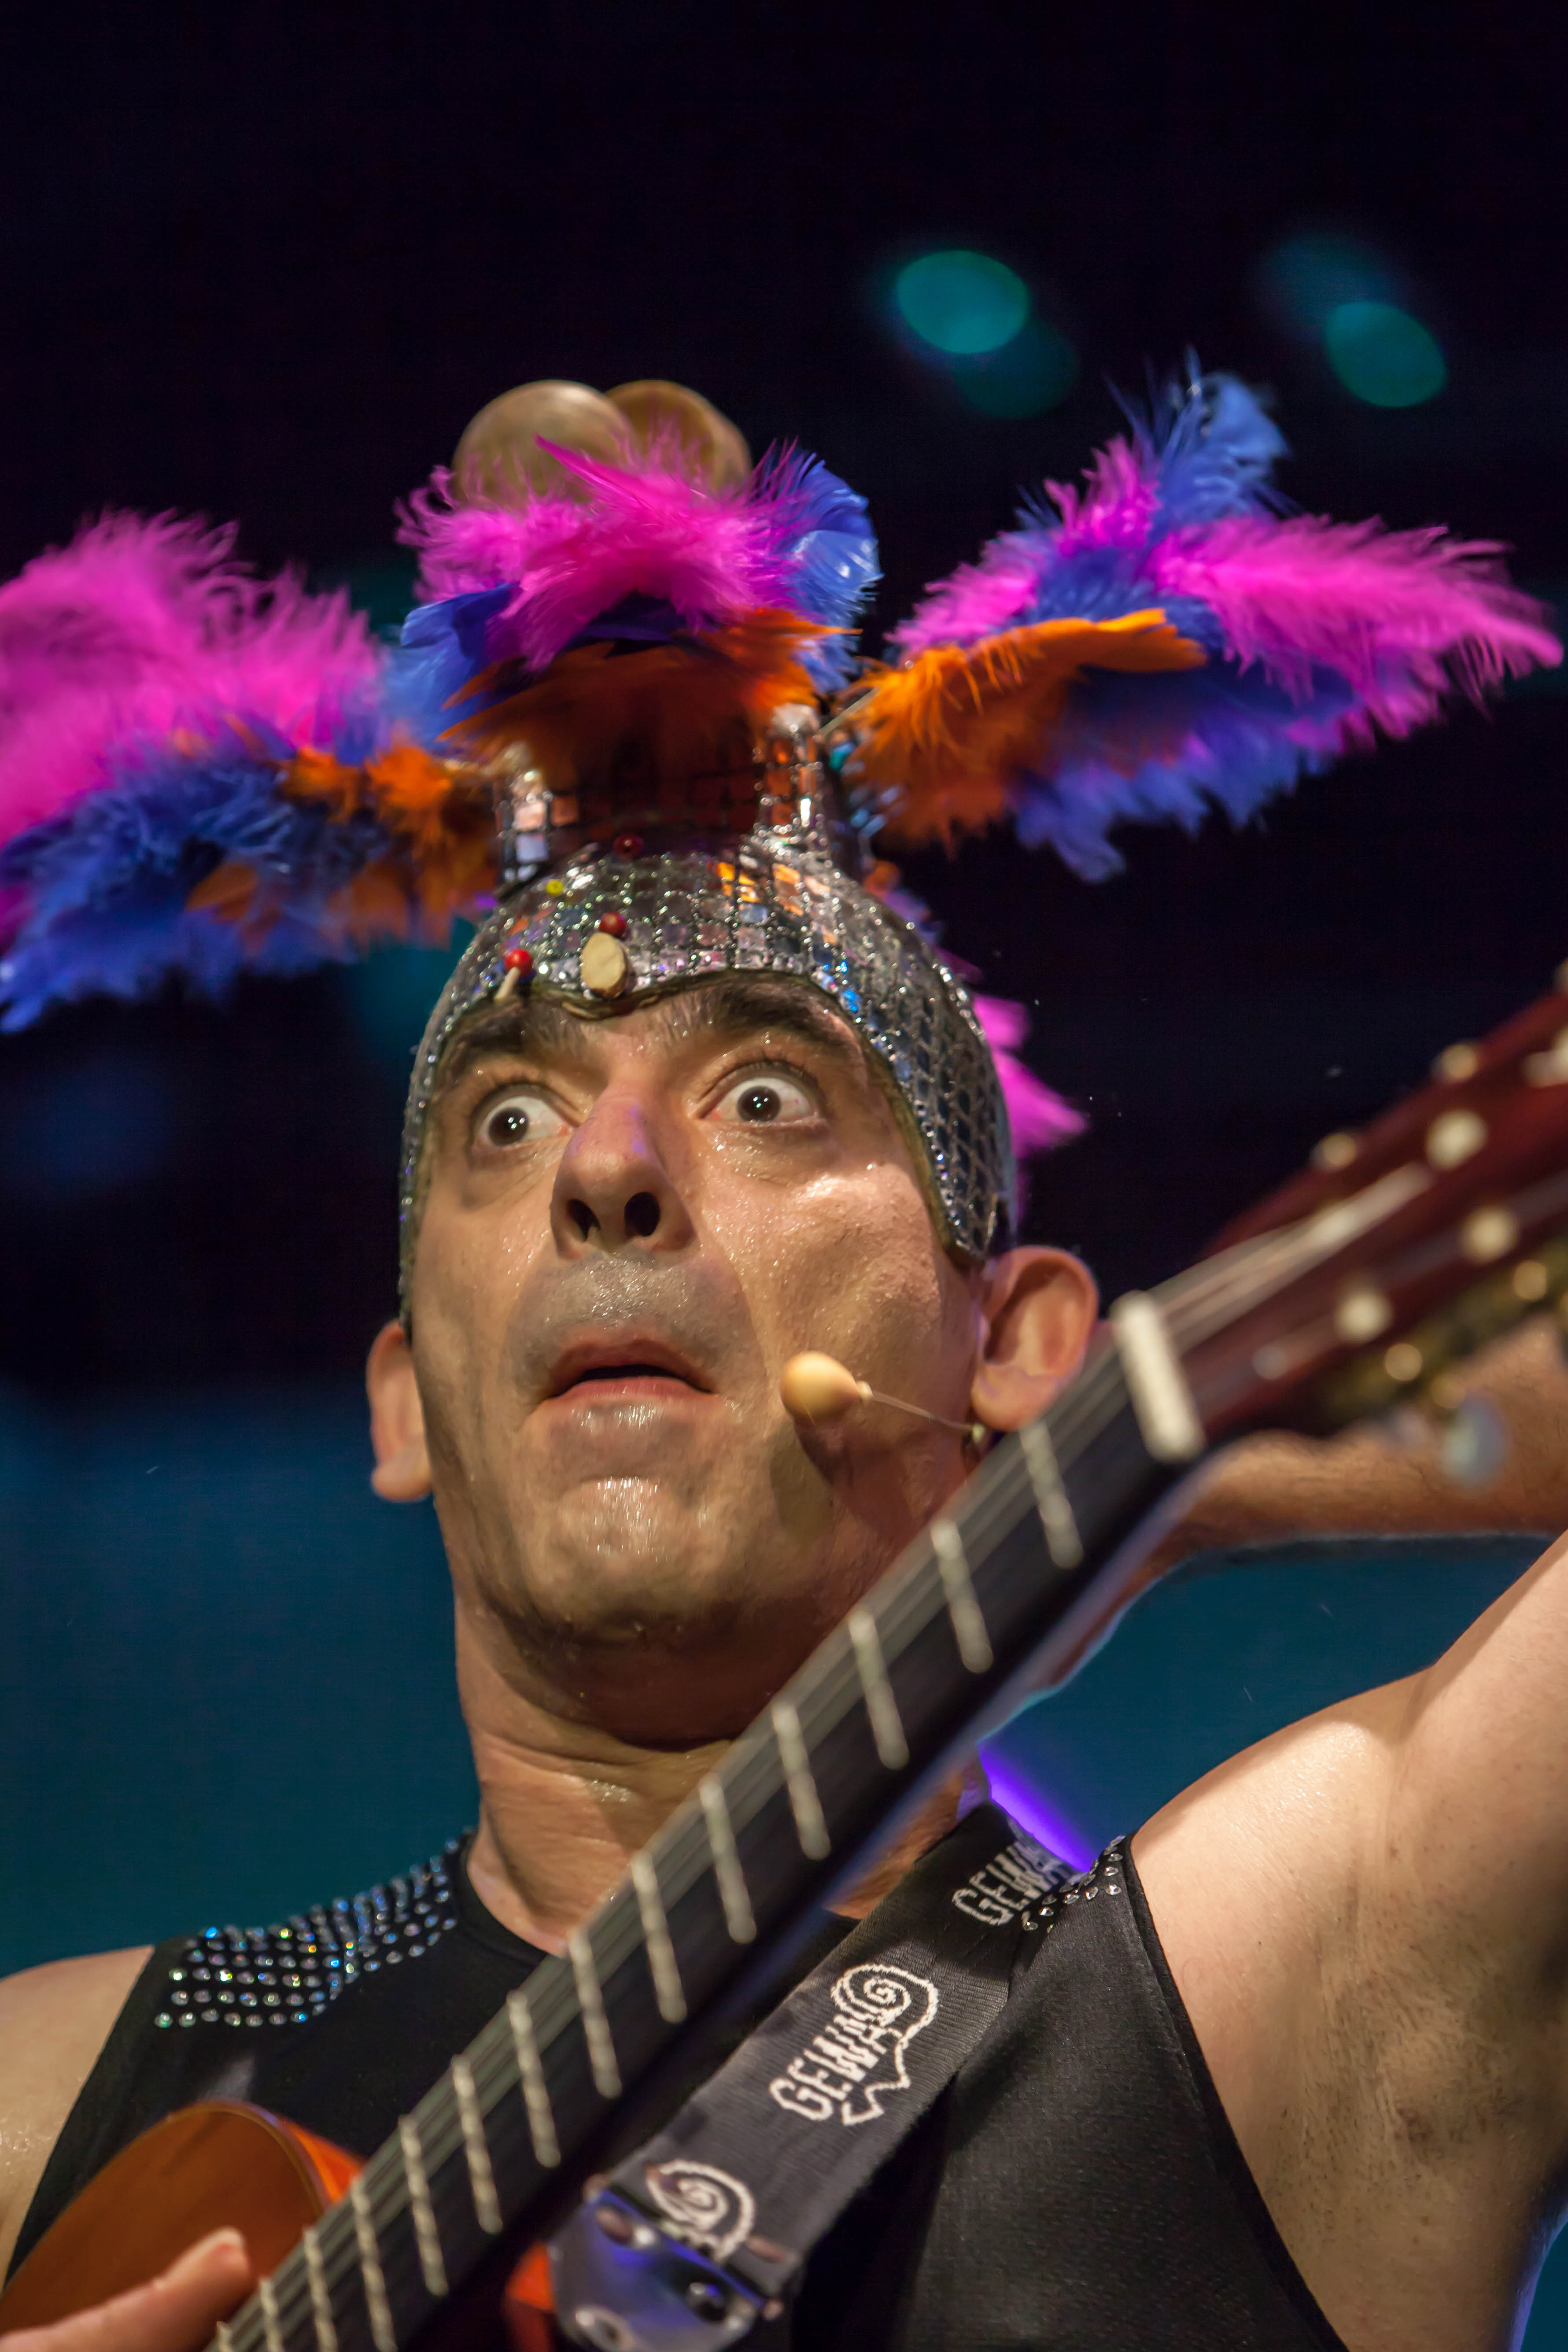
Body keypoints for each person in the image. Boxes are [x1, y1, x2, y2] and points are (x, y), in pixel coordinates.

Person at [0, 371, 1564, 2351]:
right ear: (403, 1398)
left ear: (1018, 1341)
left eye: (762, 1095)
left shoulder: (1323, 1982)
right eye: (507, 1120)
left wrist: (1168, 1465)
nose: (607, 1171)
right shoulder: (41, 2112)